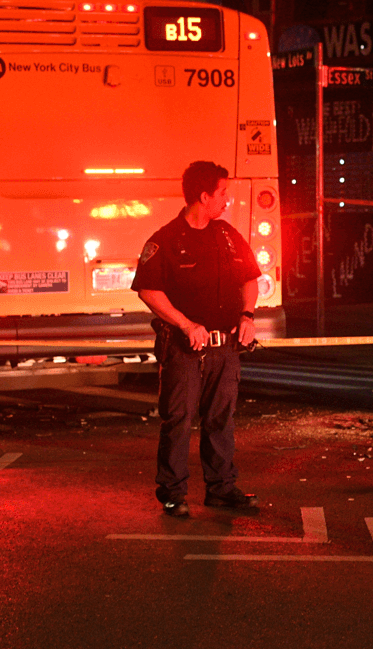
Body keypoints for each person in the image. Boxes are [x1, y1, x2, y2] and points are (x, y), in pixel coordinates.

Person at [132, 161, 261, 518]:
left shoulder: (227, 235)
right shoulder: (165, 240)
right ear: (204, 196)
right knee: (178, 419)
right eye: (223, 194)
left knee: (221, 420)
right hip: (184, 348)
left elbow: (250, 278)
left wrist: (247, 315)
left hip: (225, 347)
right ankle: (173, 494)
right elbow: (148, 290)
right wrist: (186, 325)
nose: (227, 201)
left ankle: (221, 489)